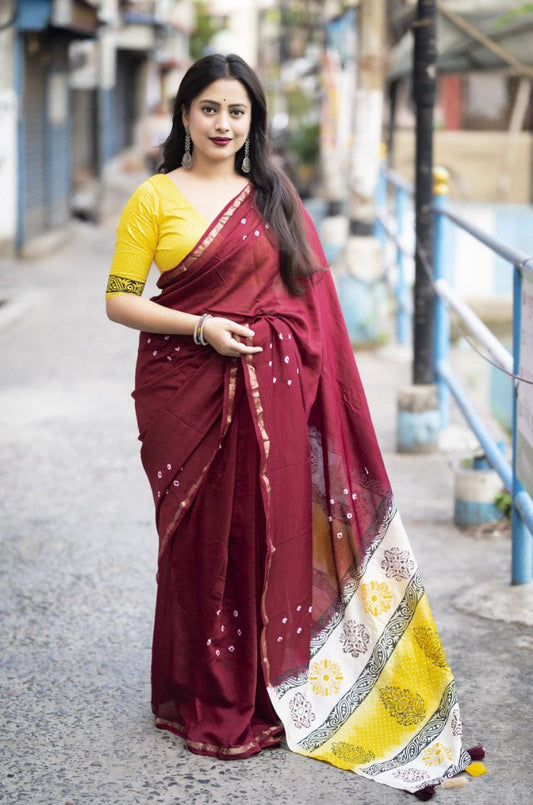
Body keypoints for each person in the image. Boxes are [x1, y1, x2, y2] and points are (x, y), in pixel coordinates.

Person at [106, 54, 483, 799]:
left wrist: (265, 335)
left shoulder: (272, 197)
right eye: (209, 109)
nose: (222, 124)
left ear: (253, 122)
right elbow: (120, 299)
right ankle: (199, 695)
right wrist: (205, 325)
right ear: (183, 115)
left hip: (268, 398)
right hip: (188, 394)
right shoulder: (154, 198)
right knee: (196, 544)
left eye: (236, 112)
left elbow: (311, 310)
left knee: (261, 538)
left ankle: (264, 692)